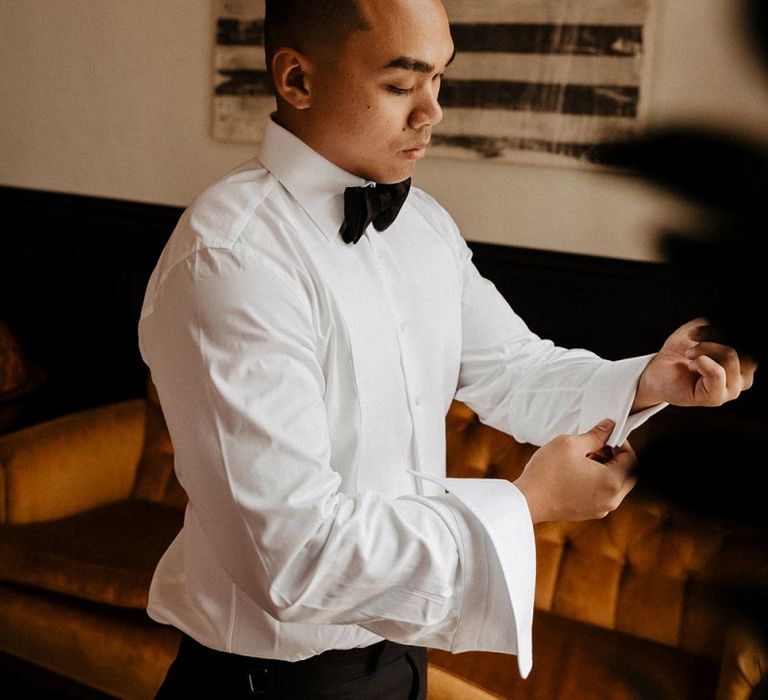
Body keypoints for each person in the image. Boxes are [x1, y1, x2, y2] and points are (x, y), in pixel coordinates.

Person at [139, 1, 756, 697]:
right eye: (401, 85)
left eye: (439, 79)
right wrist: (523, 508)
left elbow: (515, 370)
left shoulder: (423, 225)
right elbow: (291, 555)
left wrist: (650, 379)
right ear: (296, 80)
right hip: (265, 685)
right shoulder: (230, 258)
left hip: (403, 660)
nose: (431, 112)